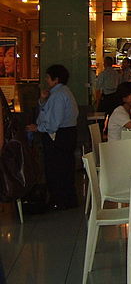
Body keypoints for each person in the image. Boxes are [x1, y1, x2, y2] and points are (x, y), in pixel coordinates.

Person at [33, 65, 79, 210]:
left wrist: (39, 128)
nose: (46, 80)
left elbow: (53, 121)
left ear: (56, 79)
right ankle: (66, 199)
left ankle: (59, 200)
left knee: (56, 169)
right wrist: (42, 100)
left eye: (47, 77)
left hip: (58, 135)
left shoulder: (58, 95)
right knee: (65, 168)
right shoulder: (63, 92)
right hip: (67, 133)